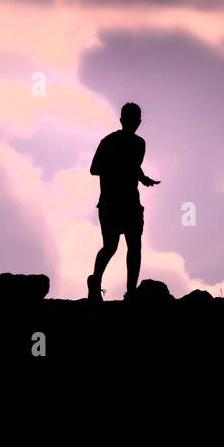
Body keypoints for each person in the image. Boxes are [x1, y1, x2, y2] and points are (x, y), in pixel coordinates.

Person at [87, 102, 159, 302]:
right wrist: (118, 167)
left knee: (131, 246)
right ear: (124, 121)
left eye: (134, 121)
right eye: (131, 120)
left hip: (128, 203)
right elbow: (94, 169)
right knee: (113, 247)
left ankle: (131, 292)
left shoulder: (138, 144)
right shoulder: (110, 141)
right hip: (112, 203)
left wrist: (143, 178)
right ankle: (96, 284)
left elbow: (134, 167)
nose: (133, 124)